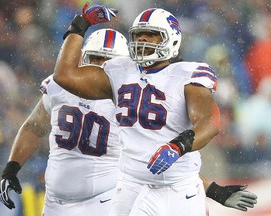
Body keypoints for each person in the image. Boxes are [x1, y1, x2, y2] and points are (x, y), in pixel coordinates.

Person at [52, 3, 256, 215]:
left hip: (177, 190)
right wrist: (81, 24)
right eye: (139, 35)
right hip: (130, 184)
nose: (142, 40)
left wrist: (178, 146)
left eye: (151, 35)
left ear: (171, 38)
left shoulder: (187, 75)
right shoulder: (120, 70)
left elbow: (209, 123)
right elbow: (65, 76)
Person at [0, 28, 129, 216]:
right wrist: (11, 169)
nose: (100, 66)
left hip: (105, 201)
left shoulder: (129, 98)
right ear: (84, 58)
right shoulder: (60, 86)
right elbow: (34, 127)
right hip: (55, 202)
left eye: (108, 62)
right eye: (95, 58)